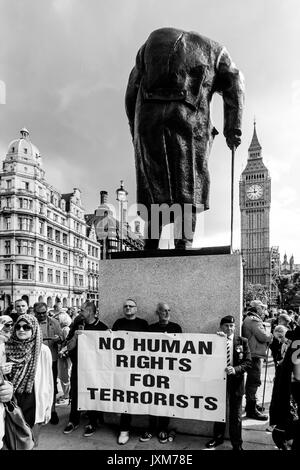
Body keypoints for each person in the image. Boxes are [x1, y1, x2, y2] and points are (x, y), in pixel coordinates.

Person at [125, 27, 245, 250]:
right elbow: (235, 81)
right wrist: (233, 129)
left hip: (147, 119)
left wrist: (135, 132)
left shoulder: (148, 46)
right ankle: (184, 242)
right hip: (189, 120)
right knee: (188, 182)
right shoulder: (217, 51)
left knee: (155, 184)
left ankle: (151, 244)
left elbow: (131, 93)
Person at [5, 314, 53, 445]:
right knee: (12, 439)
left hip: (33, 398)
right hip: (11, 399)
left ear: (34, 330)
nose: (21, 330)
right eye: (18, 327)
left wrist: (48, 406)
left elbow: (48, 380)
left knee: (30, 440)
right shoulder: (6, 348)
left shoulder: (42, 350)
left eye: (26, 327)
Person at [205, 315, 252, 451]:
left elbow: (248, 362)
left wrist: (236, 369)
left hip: (235, 381)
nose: (229, 328)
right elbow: (207, 359)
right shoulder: (216, 340)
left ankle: (237, 444)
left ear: (235, 327)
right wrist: (216, 341)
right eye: (226, 326)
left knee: (235, 415)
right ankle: (218, 438)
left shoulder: (242, 341)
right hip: (219, 382)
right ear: (221, 327)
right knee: (218, 411)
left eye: (232, 326)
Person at [63, 301, 108, 437]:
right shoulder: (77, 324)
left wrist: (109, 336)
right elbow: (69, 347)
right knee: (76, 392)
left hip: (95, 369)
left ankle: (93, 422)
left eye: (82, 310)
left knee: (93, 393)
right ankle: (73, 420)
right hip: (78, 365)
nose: (79, 312)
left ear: (90, 312)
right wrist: (76, 337)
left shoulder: (102, 327)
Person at [140, 302, 182, 444]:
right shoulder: (150, 328)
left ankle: (163, 428)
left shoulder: (176, 328)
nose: (167, 313)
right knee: (152, 399)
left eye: (169, 310)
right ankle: (151, 428)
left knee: (165, 400)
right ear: (157, 312)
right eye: (163, 311)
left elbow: (181, 349)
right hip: (152, 371)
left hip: (168, 371)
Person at [112, 298, 149, 444]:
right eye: (125, 306)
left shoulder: (143, 324)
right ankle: (124, 430)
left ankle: (151, 429)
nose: (128, 308)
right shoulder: (118, 323)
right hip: (122, 368)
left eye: (131, 306)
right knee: (125, 398)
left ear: (136, 308)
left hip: (139, 368)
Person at [242, 300, 273, 420]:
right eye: (262, 308)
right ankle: (251, 409)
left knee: (252, 381)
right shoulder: (254, 320)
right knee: (254, 381)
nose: (264, 310)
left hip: (253, 353)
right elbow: (263, 336)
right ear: (257, 309)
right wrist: (270, 336)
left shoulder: (249, 318)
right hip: (254, 355)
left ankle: (252, 405)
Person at [34, 302, 63, 425]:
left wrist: (58, 339)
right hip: (35, 360)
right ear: (35, 312)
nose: (41, 316)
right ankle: (37, 410)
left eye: (43, 313)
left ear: (47, 311)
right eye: (39, 313)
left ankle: (52, 410)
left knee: (51, 385)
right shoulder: (31, 322)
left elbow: (62, 338)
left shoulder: (54, 322)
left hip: (51, 359)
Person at [57, 313, 72, 404]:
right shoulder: (63, 329)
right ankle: (66, 394)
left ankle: (67, 395)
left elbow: (68, 343)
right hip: (62, 355)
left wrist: (63, 350)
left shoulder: (66, 329)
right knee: (63, 375)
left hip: (64, 356)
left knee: (65, 374)